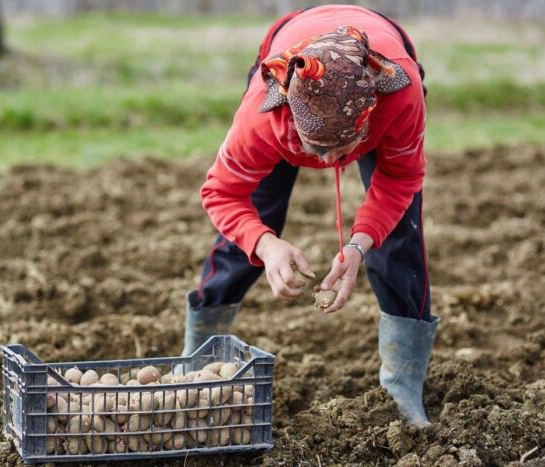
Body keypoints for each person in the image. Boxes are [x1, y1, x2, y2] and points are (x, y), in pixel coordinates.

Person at [182, 4, 438, 427]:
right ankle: (198, 361)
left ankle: (402, 387)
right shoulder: (263, 116)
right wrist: (266, 245)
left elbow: (400, 179)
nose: (332, 161)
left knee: (398, 237)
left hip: (383, 61)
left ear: (367, 121)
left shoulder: (398, 95)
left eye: (343, 149)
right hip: (289, 58)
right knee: (251, 223)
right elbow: (222, 192)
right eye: (319, 150)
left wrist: (359, 245)